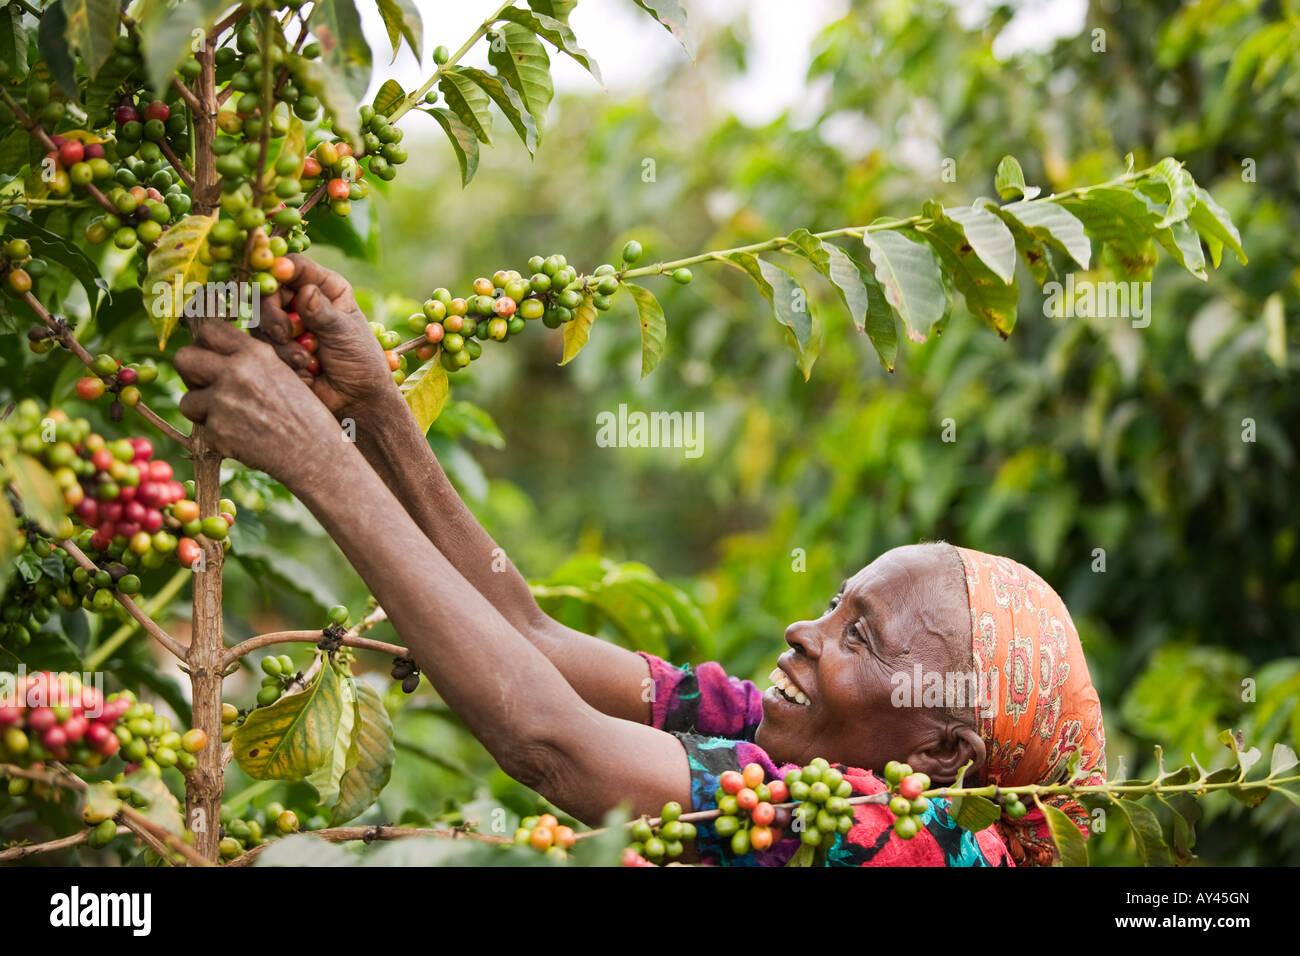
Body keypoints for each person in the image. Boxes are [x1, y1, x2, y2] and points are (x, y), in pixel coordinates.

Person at [173, 256, 1107, 866]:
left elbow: (550, 745)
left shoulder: (883, 841)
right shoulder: (783, 740)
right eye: (833, 604)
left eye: (858, 637)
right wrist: (369, 408)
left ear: (941, 754)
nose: (802, 632)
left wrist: (315, 463)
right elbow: (529, 635)